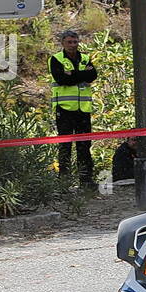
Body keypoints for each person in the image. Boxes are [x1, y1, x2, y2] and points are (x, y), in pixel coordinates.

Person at [49, 29, 98, 190]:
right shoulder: (56, 59)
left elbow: (93, 76)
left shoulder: (84, 57)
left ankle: (86, 180)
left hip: (83, 109)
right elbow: (62, 79)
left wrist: (73, 74)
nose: (72, 45)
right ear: (63, 43)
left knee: (84, 146)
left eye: (75, 42)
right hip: (64, 109)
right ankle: (64, 182)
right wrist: (82, 74)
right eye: (69, 42)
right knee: (65, 147)